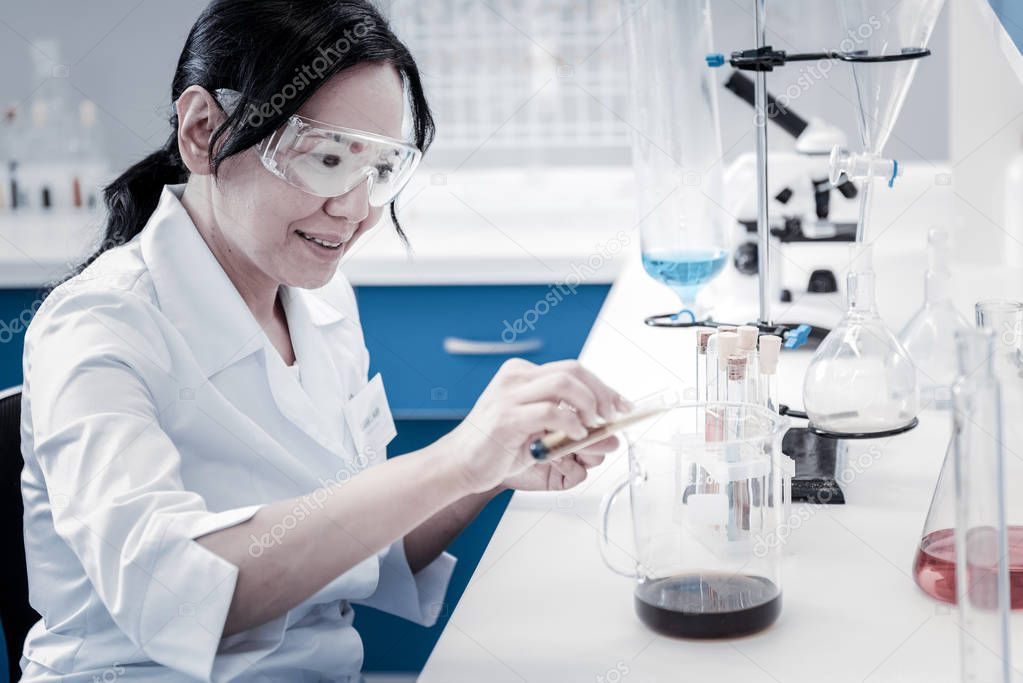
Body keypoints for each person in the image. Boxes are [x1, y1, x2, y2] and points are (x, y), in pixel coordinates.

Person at [18, 1, 626, 681]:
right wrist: (454, 459)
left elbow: (359, 540)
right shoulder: (99, 324)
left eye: (379, 169)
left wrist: (482, 474)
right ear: (201, 132)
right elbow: (174, 594)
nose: (355, 209)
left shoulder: (319, 298)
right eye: (327, 157)